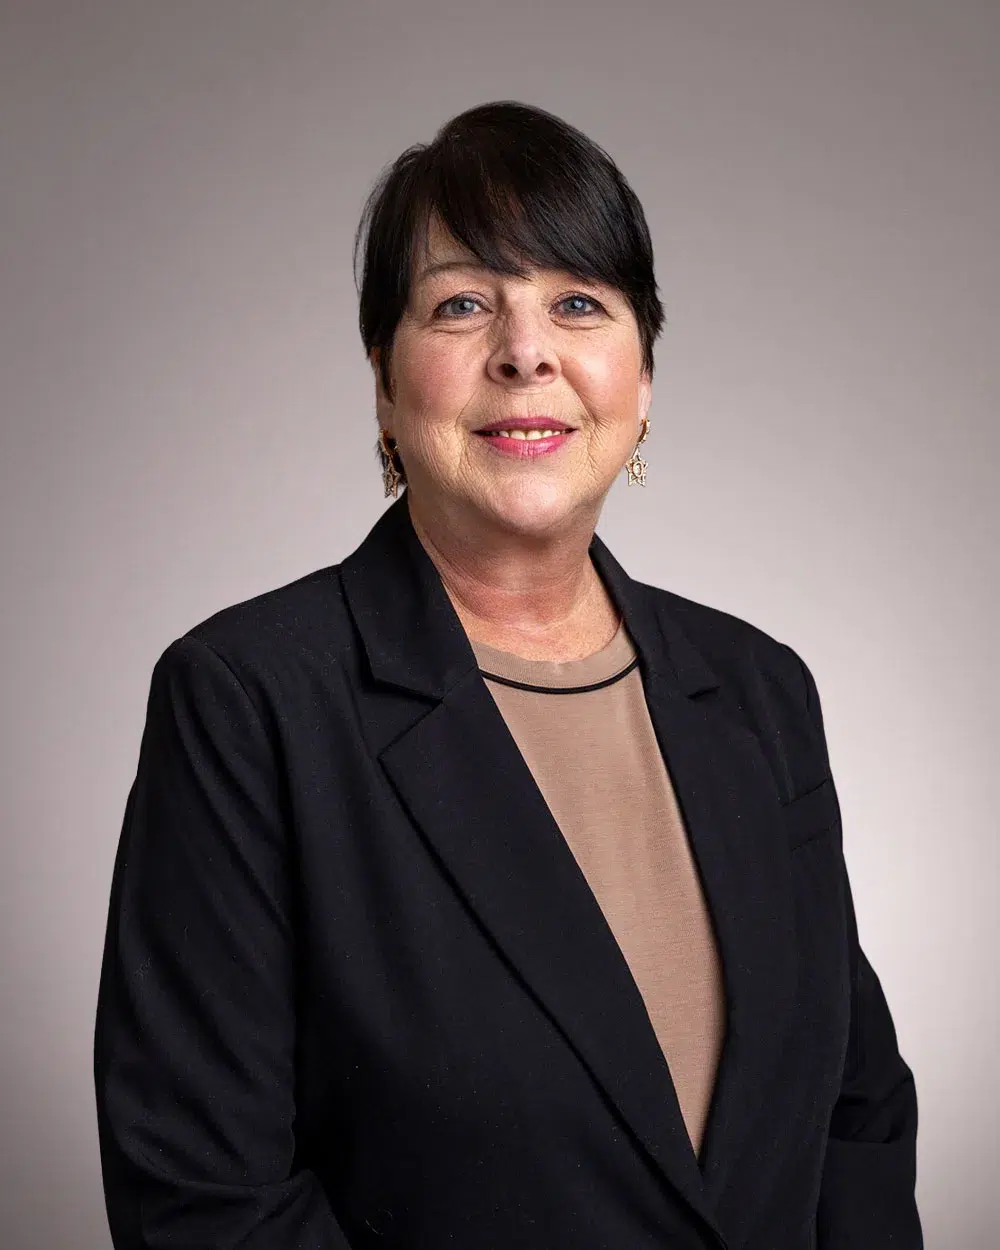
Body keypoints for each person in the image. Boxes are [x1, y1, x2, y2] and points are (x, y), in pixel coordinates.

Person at [93, 100, 922, 1249]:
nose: (525, 351)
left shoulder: (758, 688)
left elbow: (854, 1112)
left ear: (642, 374)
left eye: (578, 302)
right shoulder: (249, 698)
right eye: (463, 303)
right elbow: (203, 1194)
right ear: (384, 380)